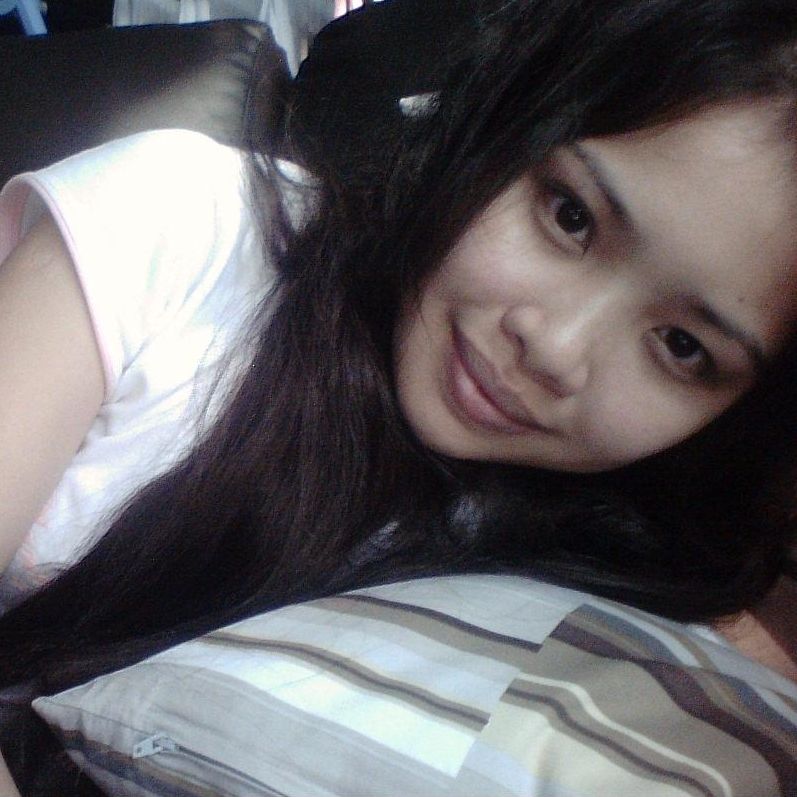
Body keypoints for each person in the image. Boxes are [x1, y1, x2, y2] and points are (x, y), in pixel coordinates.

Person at [0, 0, 796, 792]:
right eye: (569, 215)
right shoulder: (180, 225)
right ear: (498, 118)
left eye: (682, 346)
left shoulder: (611, 584)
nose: (555, 347)